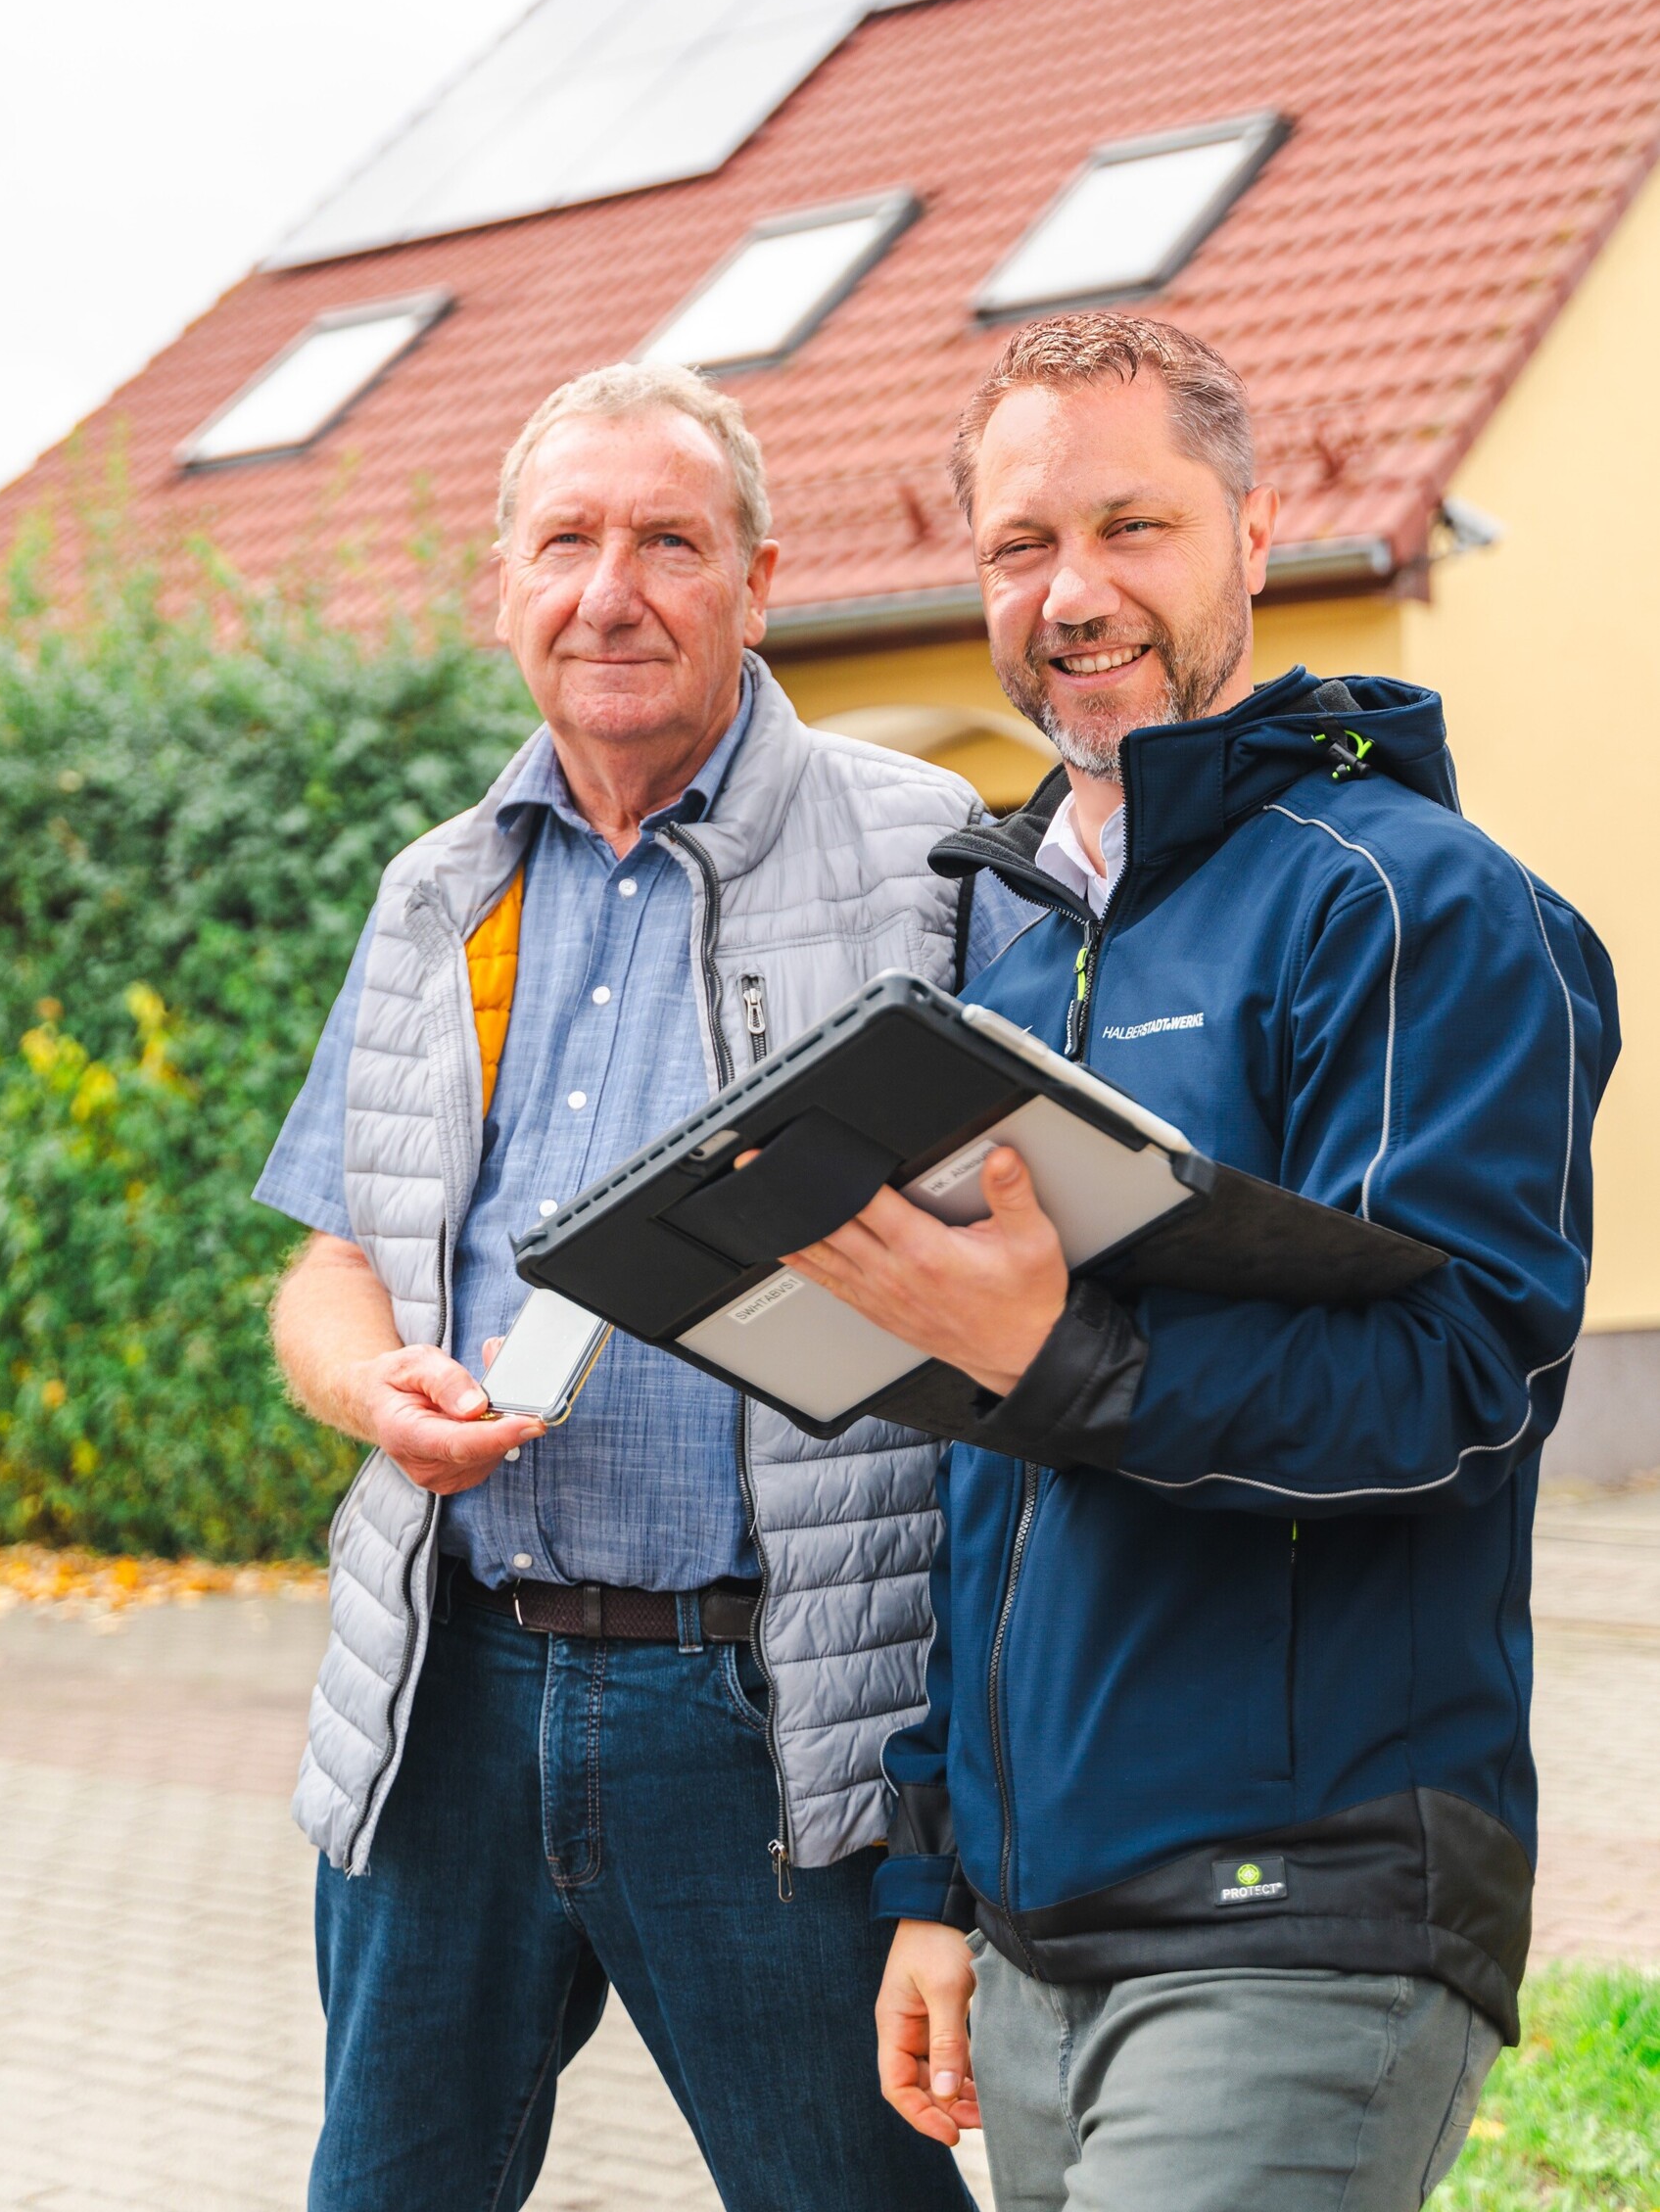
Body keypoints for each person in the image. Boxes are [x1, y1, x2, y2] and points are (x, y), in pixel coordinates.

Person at [773, 314, 1619, 2210]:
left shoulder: (1405, 900)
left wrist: (1054, 1351)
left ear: (1250, 533)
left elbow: (1459, 1392)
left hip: (1303, 1891)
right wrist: (933, 1882)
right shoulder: (992, 952)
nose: (1069, 594)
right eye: (1014, 547)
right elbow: (974, 1472)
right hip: (1039, 1918)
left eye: (1128, 526)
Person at [257, 361, 994, 2212]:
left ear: (759, 581)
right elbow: (335, 1260)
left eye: (670, 541)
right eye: (567, 542)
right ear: (503, 587)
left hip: (766, 1710)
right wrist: (372, 1395)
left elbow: (1034, 1275)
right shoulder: (438, 893)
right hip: (455, 1697)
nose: (613, 591)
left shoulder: (924, 853)